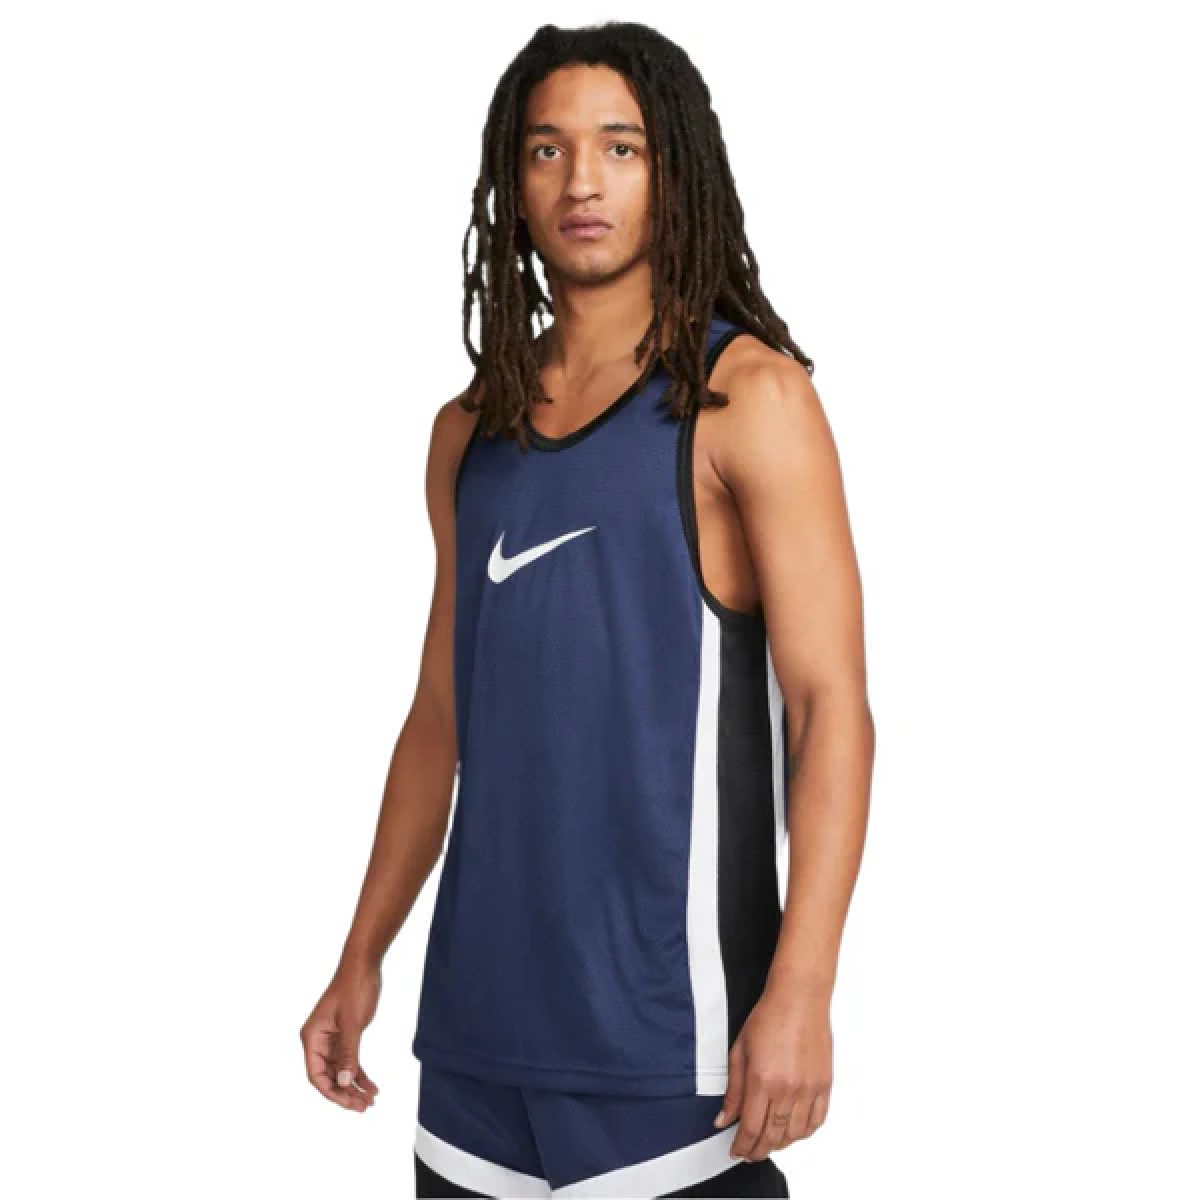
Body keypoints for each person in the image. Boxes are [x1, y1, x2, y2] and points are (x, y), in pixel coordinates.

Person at [301, 20, 874, 1198]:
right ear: (511, 182)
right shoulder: (468, 433)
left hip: (668, 1047)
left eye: (621, 146)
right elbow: (439, 721)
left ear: (675, 170)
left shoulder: (746, 400)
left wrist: (803, 986)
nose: (582, 181)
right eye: (547, 149)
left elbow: (830, 710)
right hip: (474, 1049)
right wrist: (362, 954)